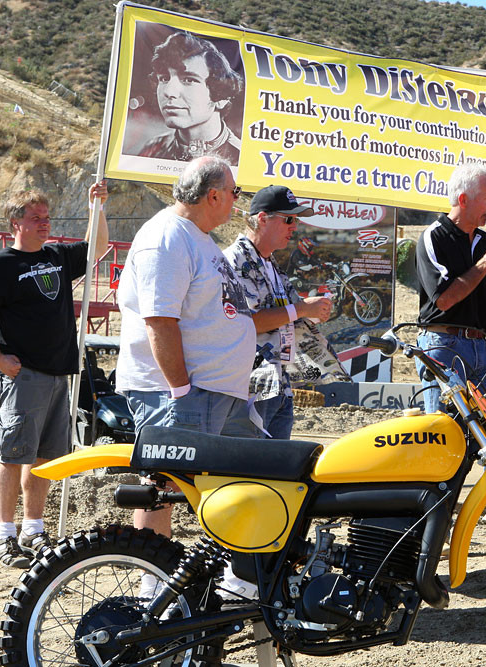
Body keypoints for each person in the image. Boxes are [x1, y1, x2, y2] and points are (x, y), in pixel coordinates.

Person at [0, 182, 109, 568]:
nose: (44, 224)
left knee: (43, 459)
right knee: (13, 455)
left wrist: (98, 206)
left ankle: (33, 528)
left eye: (47, 218)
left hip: (60, 374)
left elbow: (95, 249)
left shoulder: (58, 255)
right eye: (35, 218)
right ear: (16, 223)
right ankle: (5, 535)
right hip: (22, 376)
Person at [115, 156, 257, 545]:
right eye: (234, 192)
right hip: (181, 391)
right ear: (213, 195)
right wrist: (180, 390)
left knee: (255, 477)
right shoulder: (167, 237)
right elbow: (160, 320)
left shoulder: (198, 237)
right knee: (162, 485)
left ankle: (235, 579)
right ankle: (151, 582)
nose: (237, 200)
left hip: (218, 392)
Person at [415, 164, 486, 544]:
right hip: (444, 344)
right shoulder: (434, 237)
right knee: (442, 442)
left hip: (483, 350)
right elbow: (445, 298)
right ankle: (430, 537)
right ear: (464, 199)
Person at [223, 185, 334, 439]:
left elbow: (293, 312)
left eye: (295, 220)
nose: (294, 227)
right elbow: (246, 322)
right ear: (262, 219)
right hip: (251, 386)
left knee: (275, 470)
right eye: (288, 219)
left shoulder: (270, 262)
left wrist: (313, 311)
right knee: (250, 468)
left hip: (279, 384)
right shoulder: (236, 261)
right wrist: (303, 308)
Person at [136, 31, 243, 165]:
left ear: (222, 97)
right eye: (164, 78)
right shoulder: (153, 150)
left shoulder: (243, 160)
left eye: (188, 79)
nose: (169, 92)